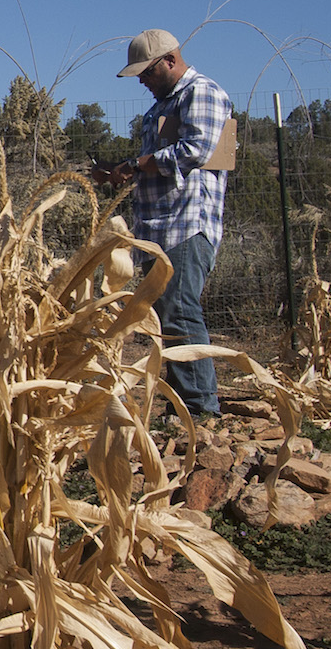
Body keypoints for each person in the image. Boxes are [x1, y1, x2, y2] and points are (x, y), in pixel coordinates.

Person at [93, 29, 228, 417]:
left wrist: (136, 164)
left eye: (147, 73)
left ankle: (201, 408)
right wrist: (122, 171)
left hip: (187, 222)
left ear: (169, 60)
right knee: (167, 311)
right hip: (159, 226)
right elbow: (160, 160)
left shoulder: (200, 92)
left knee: (180, 307)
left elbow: (196, 149)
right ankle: (186, 402)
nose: (142, 81)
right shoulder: (162, 104)